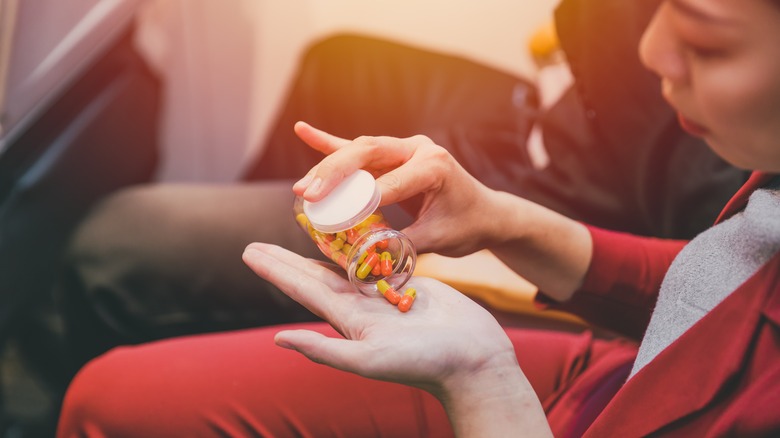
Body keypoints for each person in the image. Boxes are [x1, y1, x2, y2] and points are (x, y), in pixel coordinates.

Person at [57, 0, 780, 436]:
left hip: (575, 409)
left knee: (111, 321)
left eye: (707, 40)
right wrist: (506, 219)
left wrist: (480, 379)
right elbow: (721, 291)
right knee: (339, 63)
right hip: (624, 374)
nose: (651, 49)